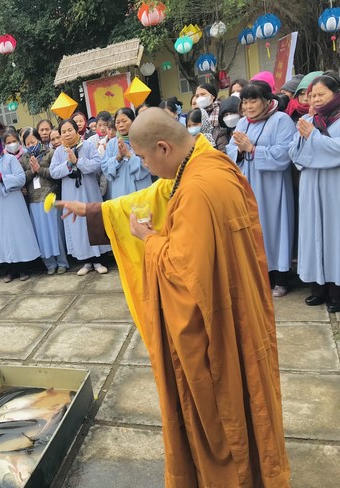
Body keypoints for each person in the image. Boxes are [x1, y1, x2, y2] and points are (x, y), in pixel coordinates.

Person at [57, 108, 290, 487]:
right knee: (247, 398)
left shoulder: (198, 189)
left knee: (223, 407)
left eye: (146, 158)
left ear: (163, 147)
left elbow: (183, 275)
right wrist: (94, 210)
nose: (146, 167)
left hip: (216, 328)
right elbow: (160, 192)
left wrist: (150, 241)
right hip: (239, 308)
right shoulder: (208, 163)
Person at [227, 80, 297, 297]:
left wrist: (253, 148)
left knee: (275, 227)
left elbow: (285, 153)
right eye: (245, 101)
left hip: (273, 186)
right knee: (253, 229)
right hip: (248, 183)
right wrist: (239, 151)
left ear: (267, 100)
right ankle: (260, 276)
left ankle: (281, 277)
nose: (248, 106)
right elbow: (230, 149)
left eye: (253, 100)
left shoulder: (281, 120)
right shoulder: (243, 123)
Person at [288, 72, 340, 313]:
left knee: (334, 236)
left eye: (321, 94)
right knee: (314, 234)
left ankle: (336, 290)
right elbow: (294, 154)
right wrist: (302, 137)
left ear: (335, 93)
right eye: (312, 96)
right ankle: (317, 286)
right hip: (311, 183)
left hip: (333, 185)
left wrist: (313, 136)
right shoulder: (310, 120)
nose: (316, 100)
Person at [0, 133, 40, 282]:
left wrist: (2, 178)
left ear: (1, 145)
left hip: (12, 202)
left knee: (17, 233)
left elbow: (21, 178)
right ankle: (9, 270)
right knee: (0, 235)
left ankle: (23, 268)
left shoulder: (10, 159)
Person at [50, 119, 109, 276]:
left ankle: (98, 260)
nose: (67, 134)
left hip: (89, 191)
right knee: (78, 226)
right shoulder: (58, 152)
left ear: (77, 131)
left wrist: (78, 161)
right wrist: (69, 165)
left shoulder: (88, 145)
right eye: (63, 132)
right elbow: (53, 172)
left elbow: (97, 164)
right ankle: (86, 261)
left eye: (70, 130)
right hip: (71, 193)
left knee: (93, 221)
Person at [18, 129, 68, 275]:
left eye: (33, 141)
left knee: (55, 232)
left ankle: (62, 262)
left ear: (39, 139)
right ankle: (49, 263)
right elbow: (22, 178)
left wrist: (39, 169)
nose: (31, 145)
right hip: (34, 200)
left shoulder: (50, 153)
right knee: (42, 234)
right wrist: (32, 172)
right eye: (28, 143)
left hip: (50, 197)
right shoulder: (24, 158)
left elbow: (55, 174)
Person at [101, 108, 152, 200]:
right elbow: (105, 167)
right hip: (120, 190)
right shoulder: (112, 143)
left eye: (124, 121)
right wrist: (118, 158)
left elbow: (151, 164)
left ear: (133, 121)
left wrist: (129, 155)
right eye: (117, 122)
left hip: (141, 187)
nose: (121, 125)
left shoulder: (142, 140)